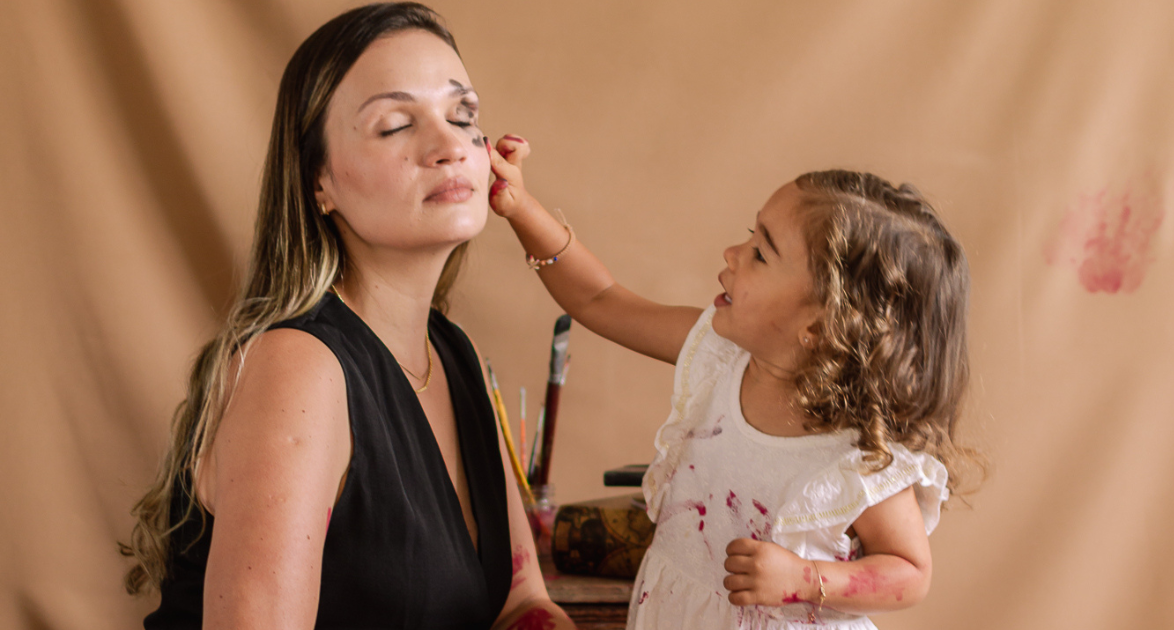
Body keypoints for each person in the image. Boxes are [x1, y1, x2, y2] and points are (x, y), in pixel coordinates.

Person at [121, 4, 573, 628]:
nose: (448, 146)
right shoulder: (297, 370)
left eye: (463, 116)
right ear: (319, 183)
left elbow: (521, 600)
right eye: (394, 125)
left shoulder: (452, 352)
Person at [486, 136, 984, 629]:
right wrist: (520, 207)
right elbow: (598, 300)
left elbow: (909, 574)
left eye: (760, 253)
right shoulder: (718, 356)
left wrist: (807, 579)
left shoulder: (859, 454)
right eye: (749, 235)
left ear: (820, 324)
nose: (732, 252)